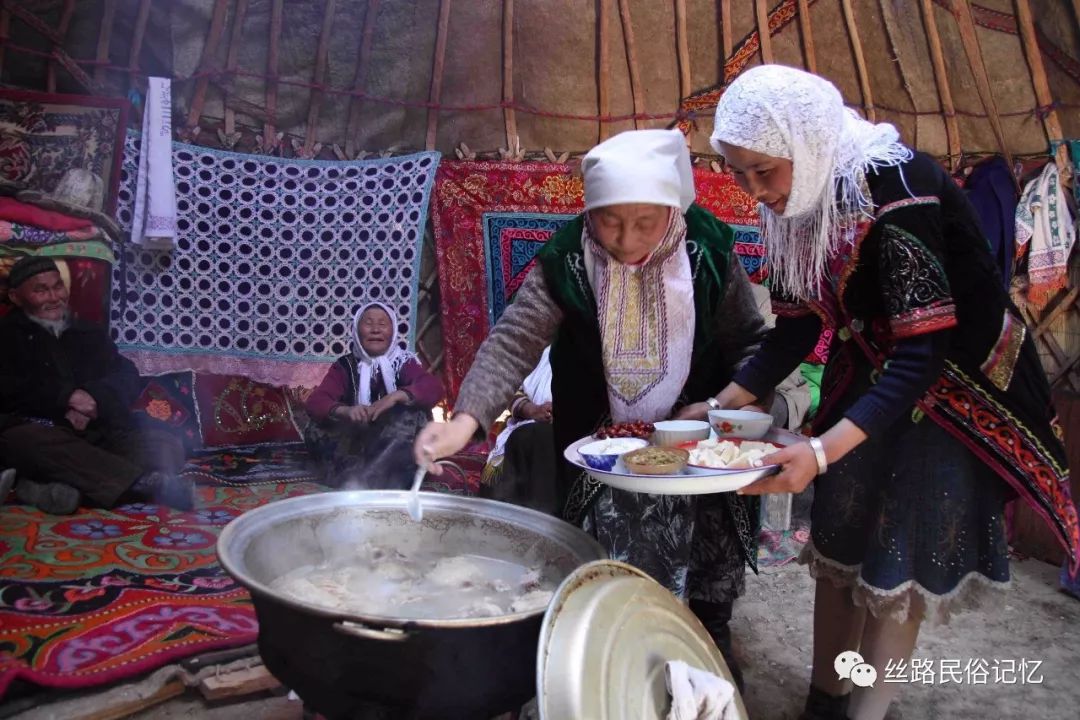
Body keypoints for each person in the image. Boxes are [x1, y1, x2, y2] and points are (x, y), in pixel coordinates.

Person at [675, 65, 1078, 720]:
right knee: (839, 535)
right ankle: (824, 700)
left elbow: (924, 351)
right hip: (871, 360)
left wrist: (822, 451)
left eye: (762, 171)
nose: (754, 190)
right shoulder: (797, 201)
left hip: (955, 382)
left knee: (899, 556)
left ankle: (868, 710)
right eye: (737, 171)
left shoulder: (897, 191)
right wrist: (719, 404)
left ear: (803, 146)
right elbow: (797, 327)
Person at [415, 128, 783, 688]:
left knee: (711, 560)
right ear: (590, 211)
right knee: (614, 567)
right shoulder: (567, 258)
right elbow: (515, 339)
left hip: (699, 445)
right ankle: (622, 661)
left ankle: (710, 641)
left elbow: (749, 343)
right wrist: (465, 422)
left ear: (672, 207)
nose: (626, 238)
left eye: (644, 222)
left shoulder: (707, 251)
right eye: (610, 220)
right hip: (603, 447)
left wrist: (731, 411)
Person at [0, 256, 193, 514]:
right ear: (15, 297)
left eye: (58, 287)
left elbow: (126, 374)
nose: (54, 297)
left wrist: (94, 398)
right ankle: (140, 485)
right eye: (40, 290)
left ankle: (43, 488)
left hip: (96, 432)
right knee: (20, 441)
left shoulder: (86, 331)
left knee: (165, 443)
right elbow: (7, 388)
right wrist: (65, 398)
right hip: (47, 433)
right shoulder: (5, 337)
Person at [305, 301, 443, 489]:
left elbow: (433, 388)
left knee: (411, 417)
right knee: (314, 427)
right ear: (356, 330)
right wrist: (345, 411)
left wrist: (396, 396)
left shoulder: (403, 362)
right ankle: (361, 475)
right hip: (359, 442)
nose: (375, 329)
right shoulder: (345, 366)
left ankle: (368, 480)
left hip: (397, 446)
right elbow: (316, 401)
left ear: (393, 332)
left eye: (382, 324)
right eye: (368, 323)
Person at [479, 346, 558, 514]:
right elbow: (510, 388)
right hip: (522, 425)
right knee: (493, 476)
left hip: (572, 435)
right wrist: (531, 409)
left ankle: (541, 523)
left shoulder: (591, 348)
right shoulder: (537, 350)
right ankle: (495, 522)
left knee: (537, 439)